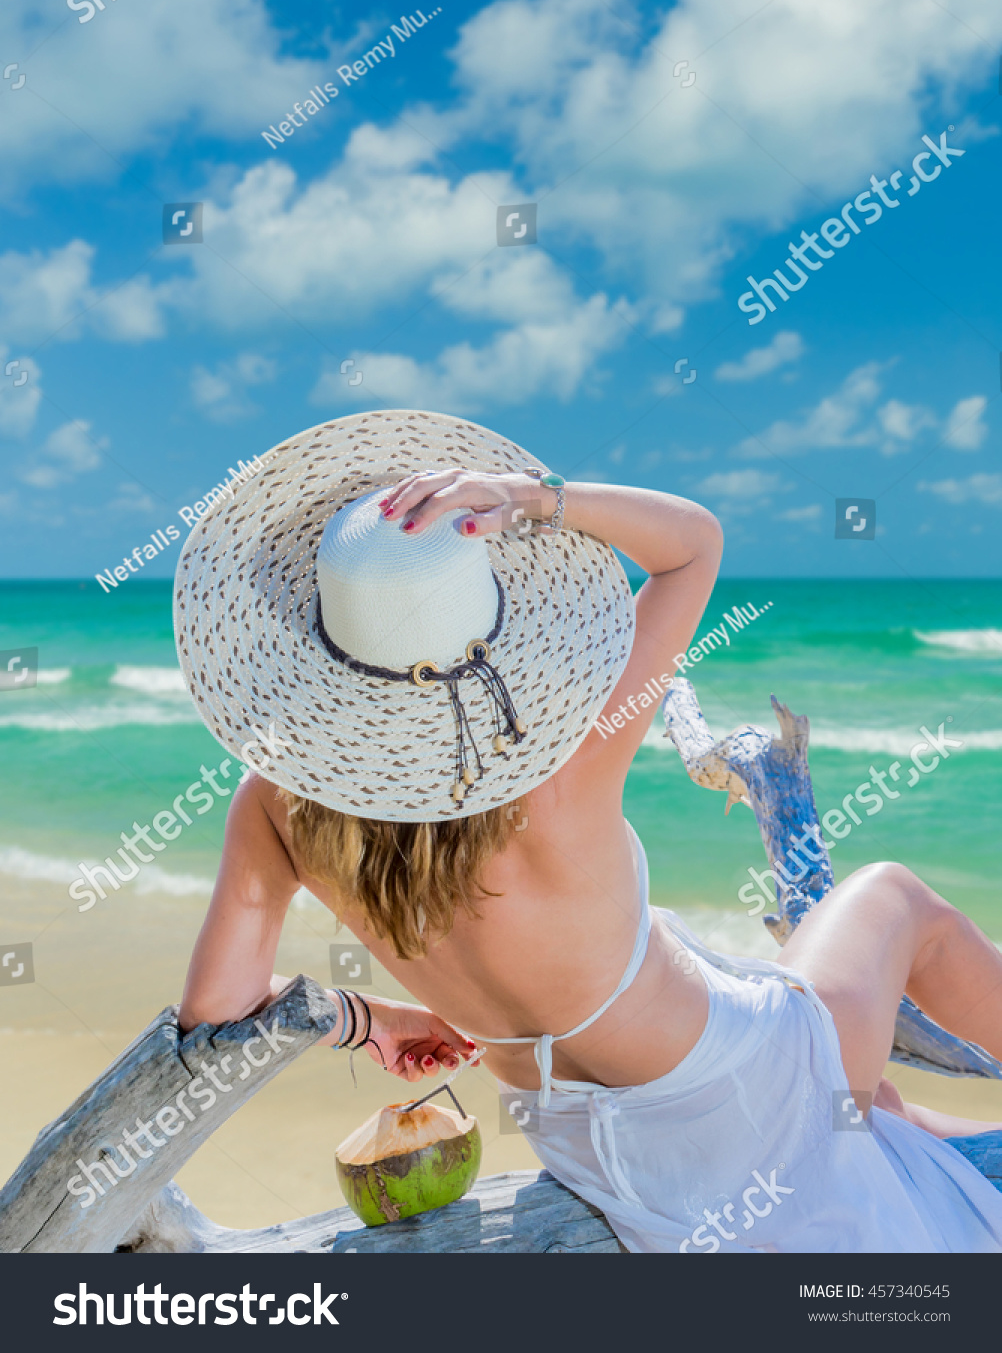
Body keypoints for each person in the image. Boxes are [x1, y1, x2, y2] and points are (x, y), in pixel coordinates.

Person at [175, 410, 1002, 1253]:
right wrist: (528, 498)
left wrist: (373, 1020)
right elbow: (693, 544)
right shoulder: (560, 754)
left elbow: (215, 1009)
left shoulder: (278, 801)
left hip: (605, 1159)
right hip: (738, 1098)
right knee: (892, 896)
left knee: (888, 1115)